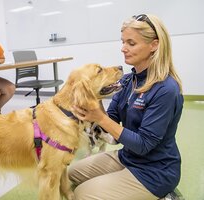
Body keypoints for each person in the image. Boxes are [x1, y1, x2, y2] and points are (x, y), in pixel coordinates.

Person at [69, 14, 183, 200]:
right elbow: (111, 118)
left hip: (154, 171)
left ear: (154, 45)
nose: (123, 48)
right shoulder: (128, 81)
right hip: (127, 157)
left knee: (82, 195)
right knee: (69, 175)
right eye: (123, 42)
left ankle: (165, 195)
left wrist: (99, 117)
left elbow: (143, 145)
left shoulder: (166, 89)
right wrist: (91, 101)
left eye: (131, 43)